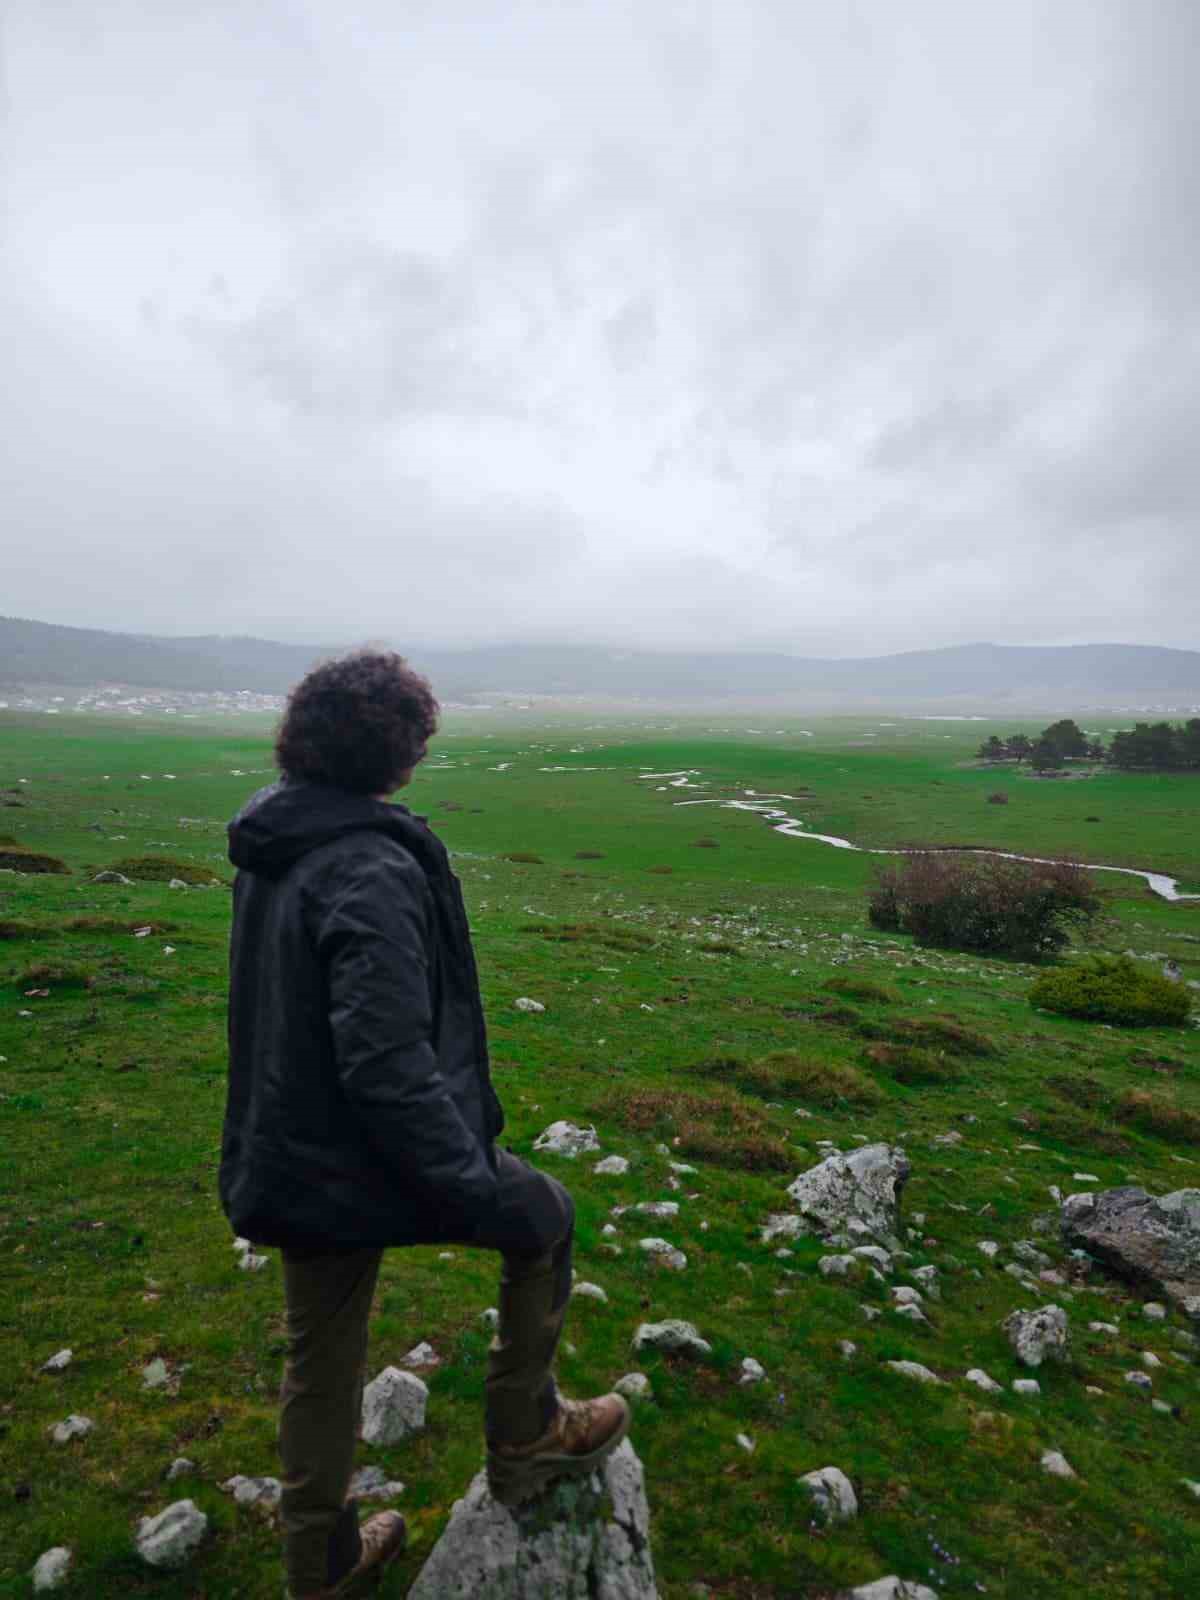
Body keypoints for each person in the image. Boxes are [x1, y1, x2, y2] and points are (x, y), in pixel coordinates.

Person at [219, 650, 629, 1600]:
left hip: (290, 1151)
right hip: (364, 1153)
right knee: (546, 1216)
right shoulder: (366, 865)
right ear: (398, 752)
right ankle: (528, 1434)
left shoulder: (278, 839)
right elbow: (385, 1063)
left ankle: (317, 1566)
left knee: (319, 1355)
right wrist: (471, 1179)